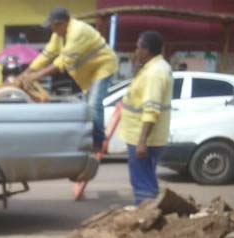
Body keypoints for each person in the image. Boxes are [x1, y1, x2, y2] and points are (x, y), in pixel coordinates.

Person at [21, 7, 118, 150]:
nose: (52, 30)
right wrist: (27, 72)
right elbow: (47, 55)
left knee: (94, 104)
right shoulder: (59, 34)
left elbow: (62, 63)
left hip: (103, 66)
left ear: (62, 23)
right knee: (86, 107)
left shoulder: (78, 32)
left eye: (53, 26)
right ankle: (89, 139)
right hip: (88, 71)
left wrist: (36, 76)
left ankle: (98, 142)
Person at [118, 31, 172, 205]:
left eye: (137, 47)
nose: (135, 51)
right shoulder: (155, 67)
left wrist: (142, 141)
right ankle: (150, 215)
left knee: (143, 183)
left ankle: (147, 219)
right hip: (145, 137)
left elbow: (151, 109)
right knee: (146, 179)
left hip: (143, 138)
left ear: (146, 50)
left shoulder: (154, 73)